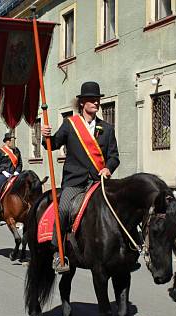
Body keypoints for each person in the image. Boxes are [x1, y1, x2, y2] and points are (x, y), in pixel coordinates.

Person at [41, 81, 120, 272]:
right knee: (63, 210)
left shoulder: (107, 129)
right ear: (82, 103)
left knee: (118, 208)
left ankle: (128, 248)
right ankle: (58, 252)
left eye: (98, 99)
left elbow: (114, 157)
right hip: (75, 181)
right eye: (92, 100)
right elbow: (53, 144)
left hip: (99, 182)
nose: (96, 103)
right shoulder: (70, 125)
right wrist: (46, 136)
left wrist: (108, 168)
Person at [0, 133, 23, 212]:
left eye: (13, 141)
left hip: (14, 174)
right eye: (12, 141)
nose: (13, 142)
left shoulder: (17, 151)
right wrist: (3, 171)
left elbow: (20, 163)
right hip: (3, 174)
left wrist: (17, 171)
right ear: (7, 142)